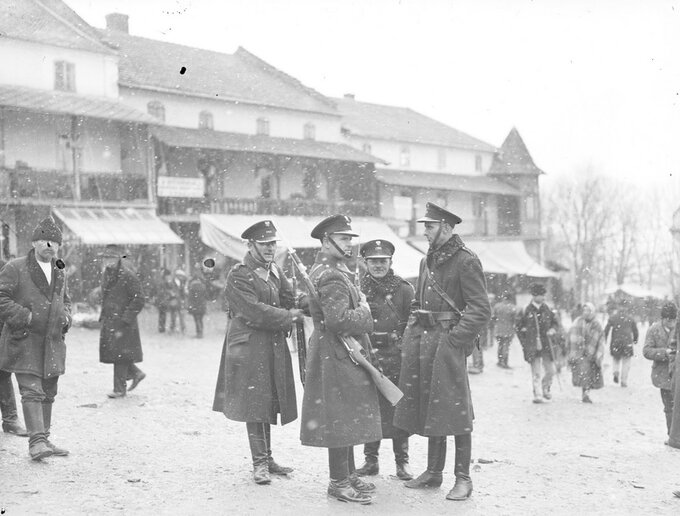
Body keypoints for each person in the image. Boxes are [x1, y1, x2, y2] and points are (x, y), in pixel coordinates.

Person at [393, 203, 490, 502]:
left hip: (448, 343)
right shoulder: (427, 261)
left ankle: (463, 478)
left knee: (457, 409)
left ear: (447, 228)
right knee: (433, 405)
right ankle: (434, 472)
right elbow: (417, 302)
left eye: (430, 226)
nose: (425, 231)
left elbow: (480, 309)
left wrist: (455, 340)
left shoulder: (466, 261)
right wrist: (413, 331)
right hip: (425, 342)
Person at [213, 220, 304, 486]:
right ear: (251, 245)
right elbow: (253, 311)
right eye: (264, 244)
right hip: (249, 345)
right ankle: (259, 463)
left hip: (270, 343)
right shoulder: (240, 274)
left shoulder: (274, 270)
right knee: (255, 402)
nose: (270, 248)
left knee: (268, 398)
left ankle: (267, 457)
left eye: (272, 244)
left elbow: (290, 298)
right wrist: (289, 316)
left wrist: (307, 302)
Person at [299, 215, 381, 504]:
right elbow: (337, 320)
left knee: (344, 412)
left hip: (335, 348)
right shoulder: (333, 273)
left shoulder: (330, 269)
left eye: (350, 238)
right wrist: (366, 315)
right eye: (343, 238)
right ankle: (338, 481)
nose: (349, 244)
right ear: (326, 241)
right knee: (339, 414)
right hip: (335, 349)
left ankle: (347, 474)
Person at [0, 216, 72, 460]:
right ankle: (36, 442)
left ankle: (45, 439)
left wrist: (67, 318)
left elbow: (66, 300)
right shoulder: (15, 267)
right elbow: (1, 298)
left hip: (52, 341)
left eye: (54, 241)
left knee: (49, 390)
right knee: (31, 390)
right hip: (25, 339)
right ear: (34, 243)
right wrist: (25, 317)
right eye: (44, 240)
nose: (49, 246)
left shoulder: (60, 269)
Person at [354, 239, 415, 481]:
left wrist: (403, 344)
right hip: (368, 355)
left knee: (398, 408)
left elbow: (413, 322)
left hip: (395, 356)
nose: (378, 266)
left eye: (383, 261)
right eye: (373, 261)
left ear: (390, 262)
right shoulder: (356, 288)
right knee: (370, 408)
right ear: (365, 263)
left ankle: (402, 463)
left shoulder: (403, 289)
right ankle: (371, 461)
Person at [98, 244, 146, 399]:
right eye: (105, 258)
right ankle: (135, 373)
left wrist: (126, 318)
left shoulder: (127, 275)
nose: (107, 260)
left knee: (119, 355)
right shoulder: (107, 274)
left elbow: (139, 299)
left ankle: (119, 389)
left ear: (118, 258)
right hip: (110, 321)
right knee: (116, 353)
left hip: (124, 323)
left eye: (110, 257)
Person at [516, 283, 560, 403]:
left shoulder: (548, 309)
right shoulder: (526, 310)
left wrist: (552, 330)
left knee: (551, 371)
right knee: (536, 372)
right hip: (532, 345)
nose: (543, 297)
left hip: (547, 344)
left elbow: (555, 323)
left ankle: (545, 387)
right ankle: (538, 393)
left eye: (543, 295)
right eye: (541, 295)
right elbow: (518, 327)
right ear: (534, 296)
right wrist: (524, 342)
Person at [0, 258, 28, 437]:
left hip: (1, 326)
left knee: (2, 372)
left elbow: (8, 297)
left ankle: (10, 420)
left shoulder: (5, 266)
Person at [643, 302, 677, 443]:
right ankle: (672, 436)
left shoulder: (678, 328)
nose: (673, 323)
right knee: (669, 407)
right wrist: (664, 353)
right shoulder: (653, 330)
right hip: (663, 375)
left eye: (674, 320)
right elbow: (646, 351)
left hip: (677, 373)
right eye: (670, 320)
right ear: (664, 319)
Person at [568, 302, 605, 403]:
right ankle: (585, 394)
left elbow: (600, 339)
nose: (586, 313)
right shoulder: (578, 322)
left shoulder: (596, 324)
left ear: (592, 311)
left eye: (588, 310)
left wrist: (598, 354)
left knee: (589, 375)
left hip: (591, 354)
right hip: (580, 353)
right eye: (584, 310)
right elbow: (571, 335)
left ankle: (586, 393)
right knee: (585, 374)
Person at [604, 306, 638, 387]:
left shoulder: (613, 317)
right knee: (626, 361)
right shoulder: (630, 318)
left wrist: (605, 337)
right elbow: (635, 330)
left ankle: (616, 372)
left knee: (616, 359)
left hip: (616, 342)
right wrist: (635, 339)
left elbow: (607, 328)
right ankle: (624, 380)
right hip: (627, 342)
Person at [491, 291, 518, 369]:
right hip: (508, 329)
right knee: (506, 346)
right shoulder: (513, 307)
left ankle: (499, 361)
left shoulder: (497, 306)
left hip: (498, 328)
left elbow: (493, 317)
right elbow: (514, 319)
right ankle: (505, 362)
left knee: (500, 345)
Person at [187, 267, 208, 338]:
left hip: (195, 305)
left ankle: (199, 333)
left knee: (196, 319)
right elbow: (206, 296)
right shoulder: (203, 285)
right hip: (202, 304)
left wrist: (190, 304)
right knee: (200, 319)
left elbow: (190, 296)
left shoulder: (192, 286)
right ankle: (201, 332)